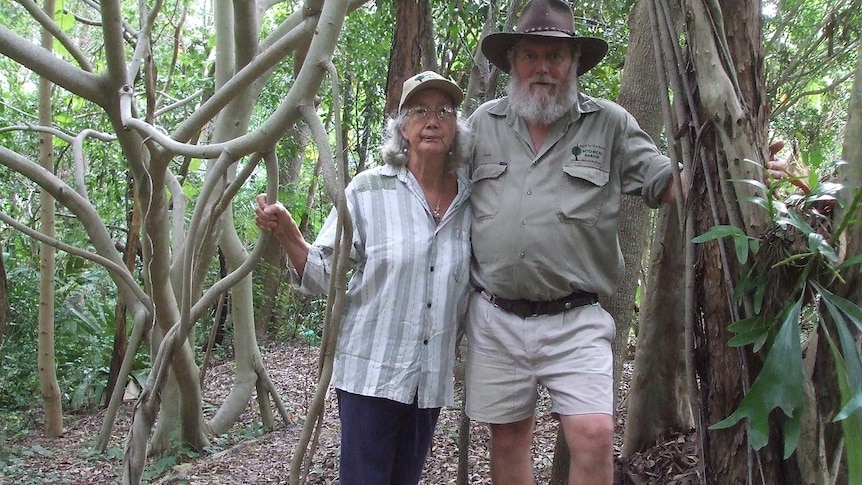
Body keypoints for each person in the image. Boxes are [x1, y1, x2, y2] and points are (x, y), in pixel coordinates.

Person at [463, 1, 680, 484]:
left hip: (576, 318)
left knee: (594, 434)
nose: (543, 68)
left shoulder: (610, 124)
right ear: (513, 61)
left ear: (575, 63)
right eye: (531, 55)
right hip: (496, 316)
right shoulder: (483, 124)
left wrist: (734, 171)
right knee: (508, 436)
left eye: (556, 57)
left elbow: (666, 181)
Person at [255, 71, 472, 485]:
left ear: (455, 127)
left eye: (444, 111)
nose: (432, 120)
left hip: (429, 381)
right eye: (419, 110)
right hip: (371, 376)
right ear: (402, 126)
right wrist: (288, 233)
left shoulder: (471, 200)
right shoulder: (368, 191)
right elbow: (323, 275)